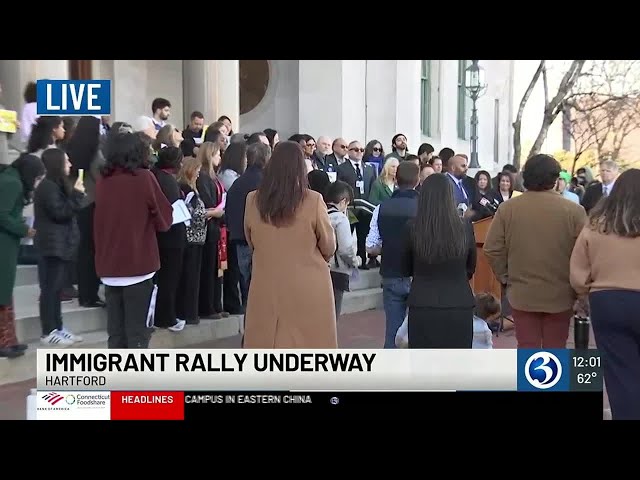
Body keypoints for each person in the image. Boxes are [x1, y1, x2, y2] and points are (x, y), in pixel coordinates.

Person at [484, 154, 586, 349]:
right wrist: (580, 291)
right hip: (561, 294)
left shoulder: (508, 209)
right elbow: (585, 254)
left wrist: (505, 277)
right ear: (556, 180)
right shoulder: (574, 211)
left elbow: (492, 248)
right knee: (556, 347)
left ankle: (531, 380)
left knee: (527, 347)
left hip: (522, 292)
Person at [243, 141, 337, 348]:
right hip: (309, 284)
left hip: (266, 282)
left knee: (267, 342)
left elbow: (251, 239)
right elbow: (329, 245)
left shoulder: (253, 200)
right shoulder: (313, 200)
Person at [570, 168, 640, 420]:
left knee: (620, 374)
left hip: (607, 301)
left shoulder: (597, 223)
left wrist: (582, 293)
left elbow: (578, 266)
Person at [94, 132, 173, 349]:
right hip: (138, 265)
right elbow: (165, 218)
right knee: (137, 334)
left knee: (116, 335)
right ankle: (134, 382)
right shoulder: (143, 178)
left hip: (109, 267)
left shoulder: (103, 181)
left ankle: (118, 381)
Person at [400, 173, 477, 348]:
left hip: (422, 303)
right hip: (459, 303)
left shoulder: (411, 228)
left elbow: (404, 268)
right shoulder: (464, 227)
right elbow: (471, 266)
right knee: (458, 368)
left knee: (422, 367)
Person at [34, 148, 86, 346]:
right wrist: (77, 195)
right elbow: (61, 213)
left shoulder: (55, 185)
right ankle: (48, 331)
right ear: (57, 164)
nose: (70, 165)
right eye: (66, 161)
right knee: (49, 289)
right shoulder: (47, 187)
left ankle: (58, 327)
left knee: (56, 290)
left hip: (60, 245)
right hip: (51, 246)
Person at [0, 155, 44, 358]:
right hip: (4, 244)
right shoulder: (12, 183)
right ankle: (4, 341)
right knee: (3, 292)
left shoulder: (10, 178)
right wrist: (24, 229)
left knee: (6, 292)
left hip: (7, 243)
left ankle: (9, 339)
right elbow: (3, 215)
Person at [151, 147, 187, 332]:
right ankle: (166, 318)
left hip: (162, 236)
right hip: (171, 237)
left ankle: (162, 315)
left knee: (164, 278)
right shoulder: (167, 182)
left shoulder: (156, 177)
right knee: (169, 279)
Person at [176, 156, 209, 326]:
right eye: (196, 170)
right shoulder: (184, 190)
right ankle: (187, 312)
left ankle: (191, 311)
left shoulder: (192, 189)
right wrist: (210, 213)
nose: (198, 174)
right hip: (190, 238)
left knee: (194, 277)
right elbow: (190, 213)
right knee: (189, 277)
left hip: (197, 238)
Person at [326, 180, 360, 318]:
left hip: (321, 268)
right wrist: (354, 261)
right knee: (333, 312)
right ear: (343, 201)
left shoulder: (319, 214)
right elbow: (345, 248)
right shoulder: (341, 219)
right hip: (338, 270)